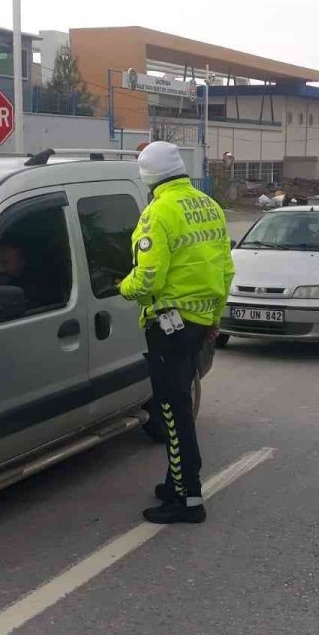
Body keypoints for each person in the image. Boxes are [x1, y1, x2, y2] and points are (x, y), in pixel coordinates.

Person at [119, 142, 234, 524]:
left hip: (169, 324)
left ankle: (188, 500)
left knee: (173, 412)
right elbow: (226, 270)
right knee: (181, 403)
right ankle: (176, 482)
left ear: (148, 177)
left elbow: (149, 277)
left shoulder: (158, 212)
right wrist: (214, 318)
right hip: (200, 322)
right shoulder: (209, 207)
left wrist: (122, 287)